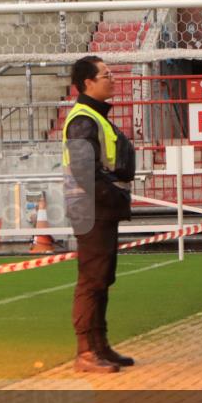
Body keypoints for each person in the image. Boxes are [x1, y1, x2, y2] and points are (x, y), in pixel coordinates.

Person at [63, 56, 136, 373]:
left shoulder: (94, 116)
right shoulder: (83, 120)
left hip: (99, 208)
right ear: (88, 83)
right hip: (91, 209)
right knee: (92, 280)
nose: (113, 78)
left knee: (102, 277)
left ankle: (100, 345)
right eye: (106, 75)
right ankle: (86, 352)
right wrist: (114, 196)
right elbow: (84, 171)